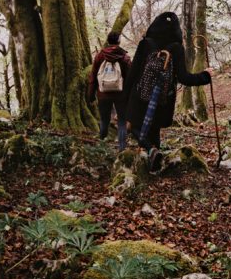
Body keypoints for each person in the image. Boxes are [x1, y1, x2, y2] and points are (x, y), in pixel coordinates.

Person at [122, 12, 212, 172]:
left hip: (140, 95)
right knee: (154, 128)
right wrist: (205, 76)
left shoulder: (145, 44)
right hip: (161, 99)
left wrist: (125, 96)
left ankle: (151, 151)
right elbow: (184, 78)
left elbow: (133, 73)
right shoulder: (176, 48)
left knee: (135, 126)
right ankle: (154, 161)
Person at [87, 32, 132, 151]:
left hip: (103, 94)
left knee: (104, 120)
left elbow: (93, 76)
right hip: (121, 95)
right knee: (122, 121)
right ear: (118, 41)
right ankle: (122, 149)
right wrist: (130, 95)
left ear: (108, 41)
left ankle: (101, 147)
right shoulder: (124, 57)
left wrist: (90, 95)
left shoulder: (99, 56)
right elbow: (130, 78)